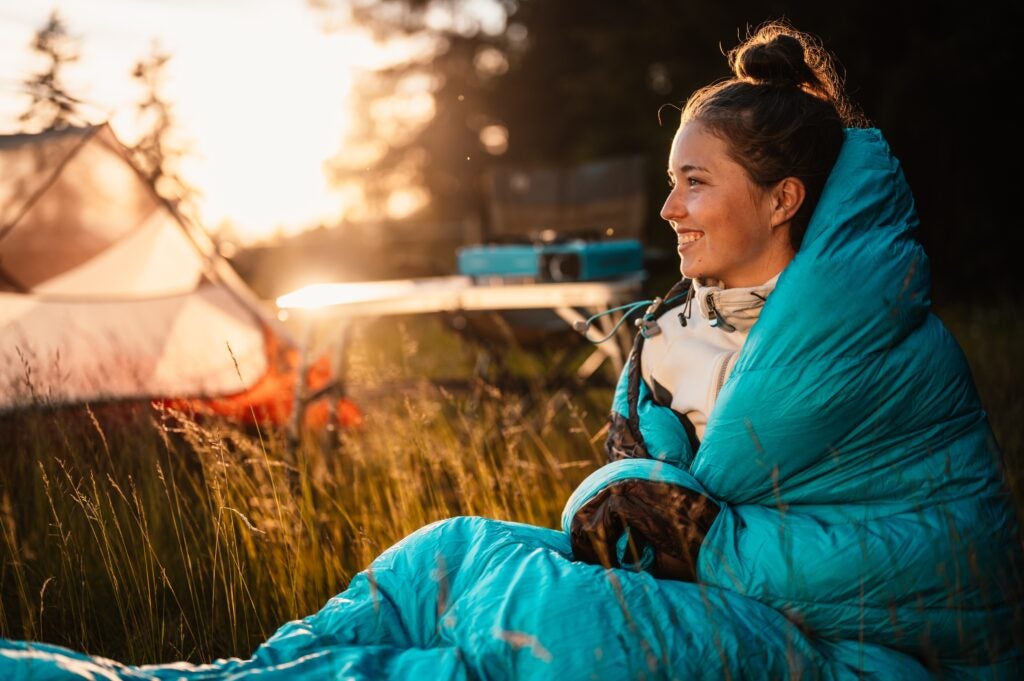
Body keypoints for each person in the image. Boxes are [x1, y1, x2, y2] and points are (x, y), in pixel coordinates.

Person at [2, 20, 1021, 681]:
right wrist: (625, 490)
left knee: (539, 614)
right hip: (727, 611)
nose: (667, 208)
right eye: (671, 180)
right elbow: (648, 505)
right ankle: (245, 678)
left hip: (867, 654)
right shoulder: (674, 334)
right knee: (446, 553)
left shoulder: (878, 345)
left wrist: (700, 539)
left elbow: (938, 566)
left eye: (695, 182)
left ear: (783, 198)